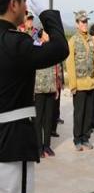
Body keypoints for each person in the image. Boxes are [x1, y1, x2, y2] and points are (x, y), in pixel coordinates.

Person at [0, 0, 69, 193]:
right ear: (13, 4)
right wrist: (47, 15)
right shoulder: (15, 43)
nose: (26, 5)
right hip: (13, 140)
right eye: (24, 0)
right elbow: (60, 48)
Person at [66, 10, 94, 151]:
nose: (85, 24)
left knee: (88, 113)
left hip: (90, 83)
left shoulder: (91, 40)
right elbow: (70, 63)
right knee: (79, 113)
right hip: (79, 84)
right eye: (82, 22)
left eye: (86, 22)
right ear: (77, 24)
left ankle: (85, 138)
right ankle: (77, 139)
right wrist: (72, 84)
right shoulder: (73, 40)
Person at [33, 29, 62, 158]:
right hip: (38, 89)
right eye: (46, 33)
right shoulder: (35, 48)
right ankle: (39, 147)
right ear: (41, 35)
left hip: (51, 88)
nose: (48, 35)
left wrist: (57, 86)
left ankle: (47, 146)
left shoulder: (53, 49)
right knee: (38, 119)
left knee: (49, 118)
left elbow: (58, 68)